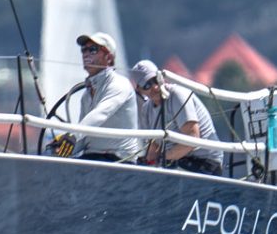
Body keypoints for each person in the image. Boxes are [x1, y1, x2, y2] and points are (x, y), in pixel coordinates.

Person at [59, 31, 140, 162]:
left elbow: (101, 114)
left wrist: (73, 135)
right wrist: (63, 146)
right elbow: (84, 139)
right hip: (92, 158)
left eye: (93, 49)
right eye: (83, 50)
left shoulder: (119, 84)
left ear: (109, 57)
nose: (86, 54)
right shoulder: (86, 94)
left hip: (119, 160)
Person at [132, 60, 224, 175]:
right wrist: (147, 165)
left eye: (155, 80)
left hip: (204, 163)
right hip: (176, 162)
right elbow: (153, 148)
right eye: (147, 85)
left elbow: (192, 138)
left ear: (161, 77)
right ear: (139, 90)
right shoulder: (146, 110)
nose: (155, 87)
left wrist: (161, 160)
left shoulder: (177, 95)